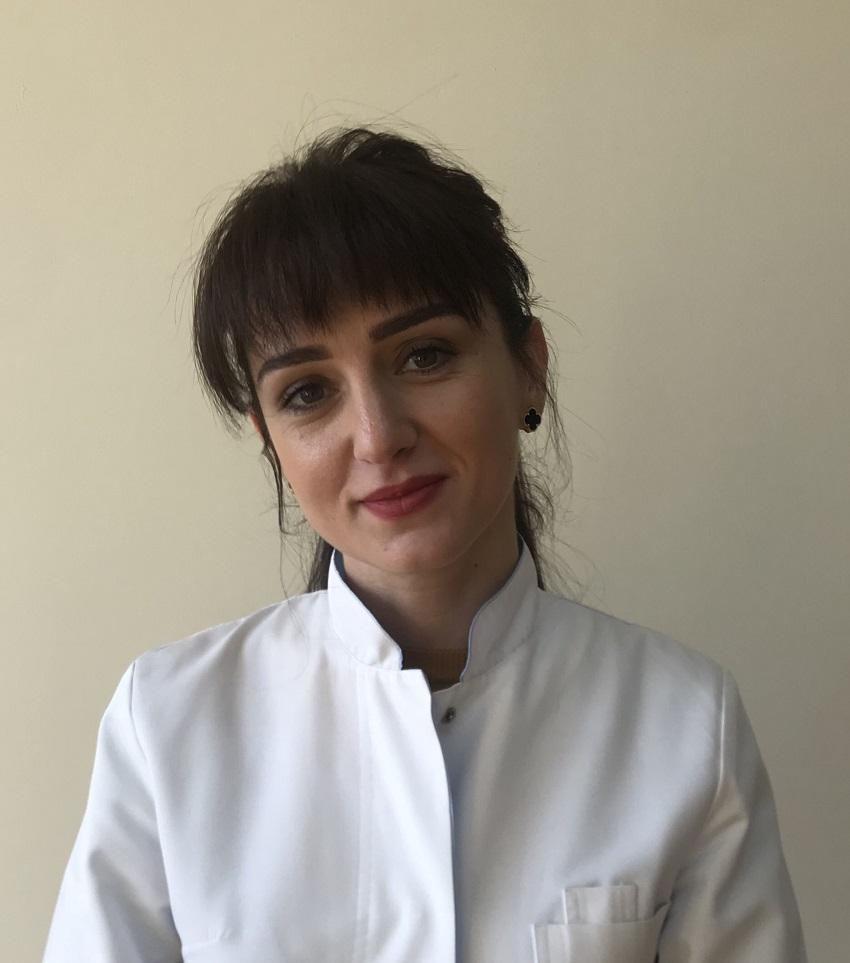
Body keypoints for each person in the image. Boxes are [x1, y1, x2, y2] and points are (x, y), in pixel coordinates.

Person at [42, 126, 807, 962]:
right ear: (268, 437)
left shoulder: (686, 725)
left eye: (425, 354)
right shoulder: (168, 725)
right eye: (308, 392)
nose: (378, 436)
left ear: (528, 367)